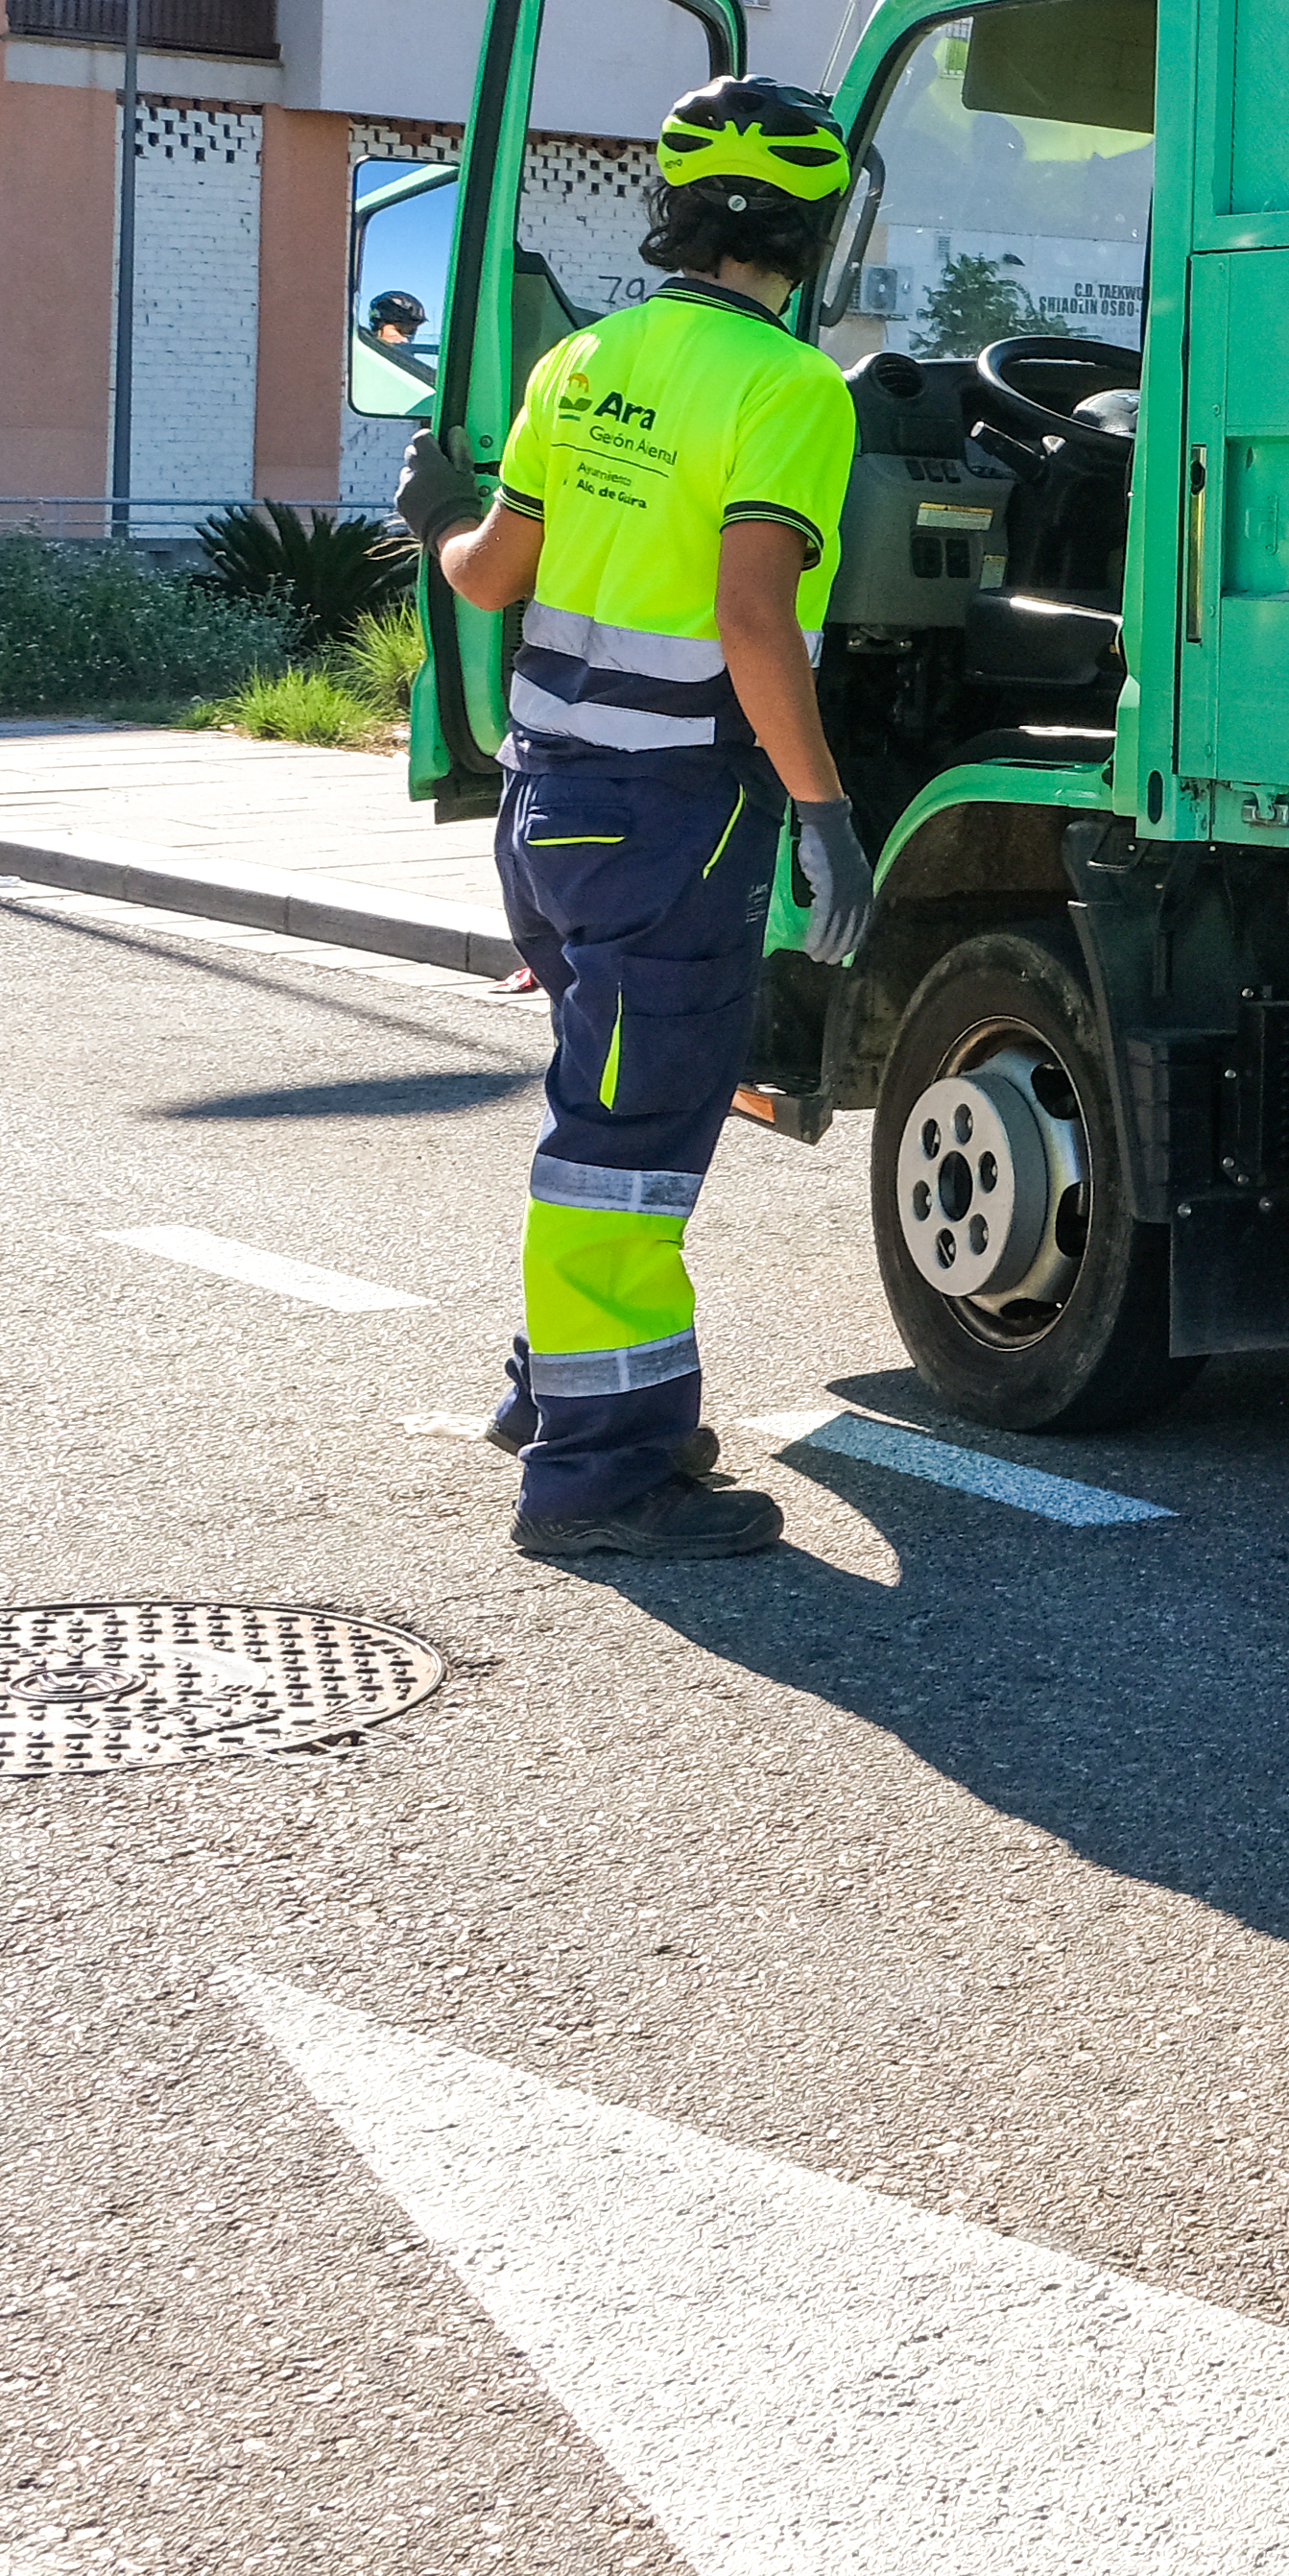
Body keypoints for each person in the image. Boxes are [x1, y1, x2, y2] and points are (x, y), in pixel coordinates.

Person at [394, 79, 884, 1559]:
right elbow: (754, 619)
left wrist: (436, 512)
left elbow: (490, 576)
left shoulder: (581, 363)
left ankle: (560, 1395)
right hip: (674, 819)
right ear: (811, 235)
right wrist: (826, 814)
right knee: (626, 1145)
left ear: (671, 214)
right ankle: (600, 1475)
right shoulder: (789, 390)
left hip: (545, 805)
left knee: (604, 1111)